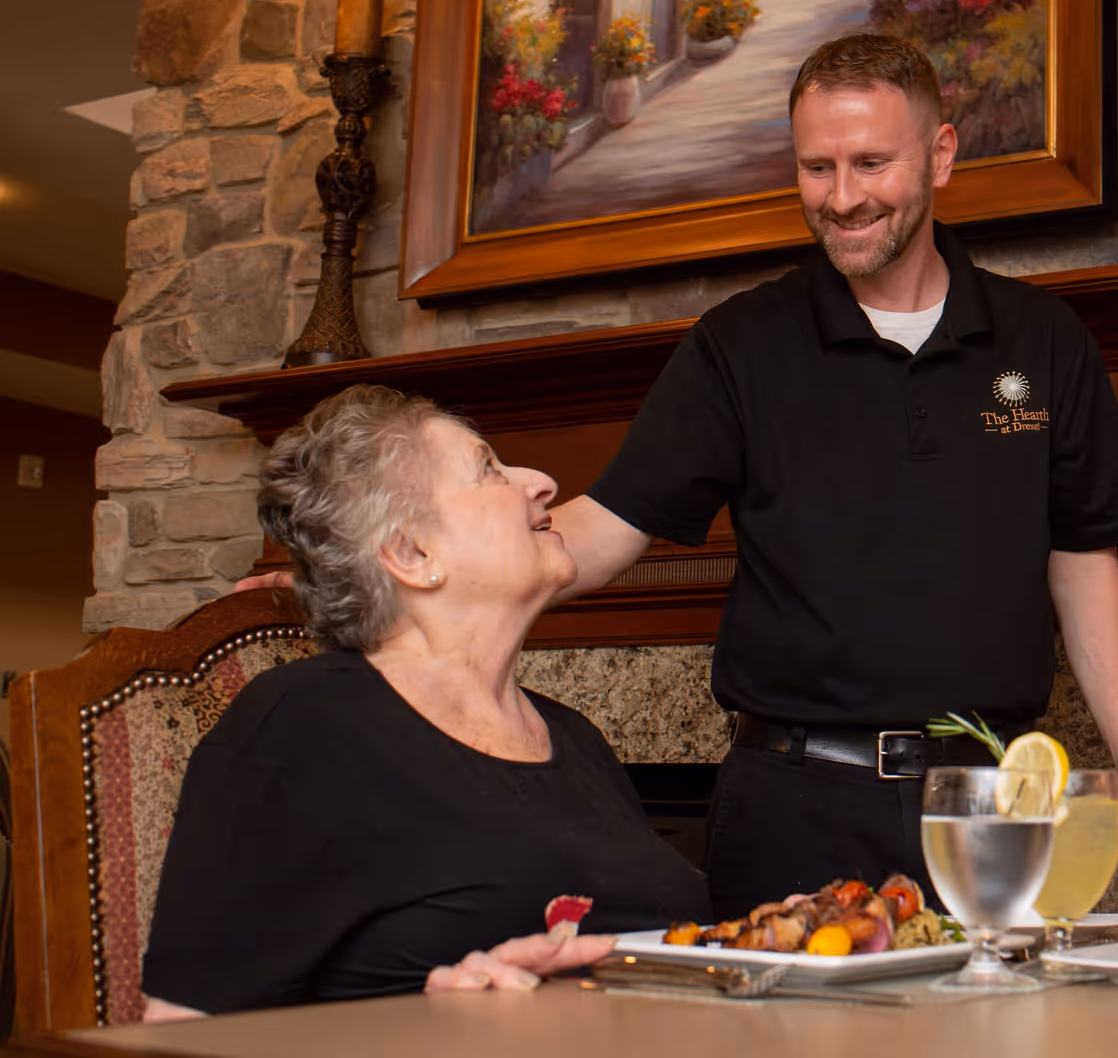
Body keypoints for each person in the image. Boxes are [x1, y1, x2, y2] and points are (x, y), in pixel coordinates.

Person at [542, 34, 1118, 915]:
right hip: (792, 809)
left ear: (942, 155)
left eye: (872, 163)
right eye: (817, 168)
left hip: (991, 808)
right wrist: (410, 583)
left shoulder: (1045, 341)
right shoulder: (739, 346)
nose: (843, 199)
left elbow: (1082, 563)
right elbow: (605, 528)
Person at [142, 385, 709, 1018]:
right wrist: (427, 1025)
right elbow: (182, 1034)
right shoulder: (303, 727)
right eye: (488, 468)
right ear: (413, 553)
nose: (544, 483)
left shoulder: (574, 737)